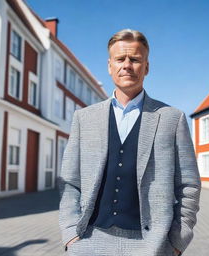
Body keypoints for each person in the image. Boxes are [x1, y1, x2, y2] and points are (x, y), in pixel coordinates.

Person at [59, 29, 201, 256]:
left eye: (135, 59)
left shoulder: (172, 118)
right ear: (109, 66)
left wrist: (176, 241)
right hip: (89, 240)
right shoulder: (84, 118)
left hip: (151, 244)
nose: (127, 65)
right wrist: (70, 233)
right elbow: (70, 182)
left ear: (146, 67)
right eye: (120, 59)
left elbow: (189, 184)